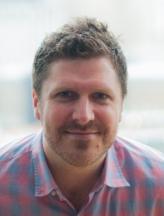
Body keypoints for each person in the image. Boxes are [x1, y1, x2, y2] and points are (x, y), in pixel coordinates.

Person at [0, 17, 164, 216]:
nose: (84, 116)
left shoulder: (158, 187)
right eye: (66, 95)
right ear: (37, 103)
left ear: (121, 105)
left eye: (100, 96)